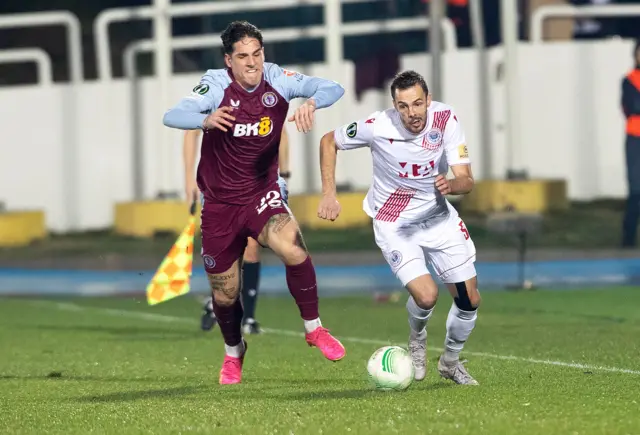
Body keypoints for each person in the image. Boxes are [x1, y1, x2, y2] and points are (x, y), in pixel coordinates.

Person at [163, 20, 346, 385]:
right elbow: (172, 115)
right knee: (226, 293)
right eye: (243, 56)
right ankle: (234, 352)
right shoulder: (215, 85)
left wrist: (312, 101)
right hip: (219, 205)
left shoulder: (278, 79)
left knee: (292, 248)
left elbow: (333, 87)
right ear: (228, 60)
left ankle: (314, 328)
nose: (252, 63)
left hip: (262, 194)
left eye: (257, 54)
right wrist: (205, 118)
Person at [317, 70, 480, 385]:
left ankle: (449, 362)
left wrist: (452, 183)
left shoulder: (446, 119)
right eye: (403, 106)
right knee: (427, 296)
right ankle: (416, 340)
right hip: (393, 220)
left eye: (418, 104)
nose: (412, 113)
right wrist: (329, 193)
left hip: (436, 215)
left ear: (428, 101)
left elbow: (467, 179)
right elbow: (328, 141)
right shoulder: (377, 126)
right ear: (394, 105)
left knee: (469, 300)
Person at [184, 128, 291, 333]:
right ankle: (216, 302)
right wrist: (189, 180)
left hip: (255, 182)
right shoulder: (215, 98)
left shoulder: (265, 98)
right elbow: (191, 134)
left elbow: (281, 133)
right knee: (226, 250)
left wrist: (283, 173)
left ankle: (248, 318)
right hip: (218, 183)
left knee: (252, 245)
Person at [622, 40, 640, 248]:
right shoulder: (629, 80)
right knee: (636, 190)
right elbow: (631, 106)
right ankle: (627, 241)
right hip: (635, 138)